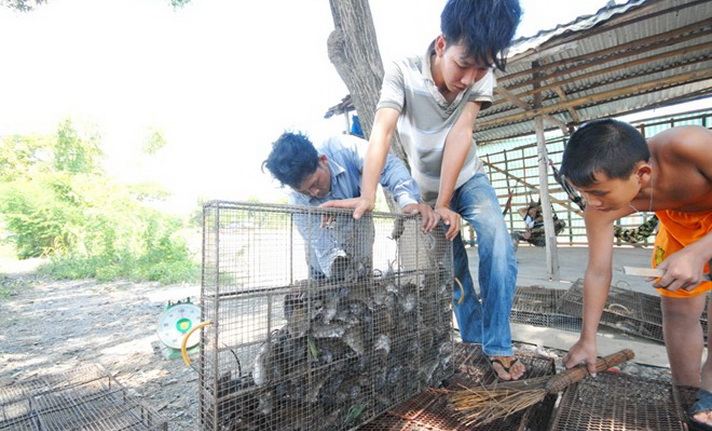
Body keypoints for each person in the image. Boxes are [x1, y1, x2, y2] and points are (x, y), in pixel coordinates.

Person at [323, 0, 525, 380]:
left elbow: (460, 134)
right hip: (425, 190)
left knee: (497, 242)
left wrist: (447, 203)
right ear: (441, 44)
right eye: (463, 65)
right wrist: (368, 194)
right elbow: (380, 133)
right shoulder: (402, 72)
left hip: (467, 176)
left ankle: (498, 344)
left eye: (480, 69)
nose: (469, 79)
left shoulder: (481, 75)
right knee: (454, 270)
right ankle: (474, 342)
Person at [559, 119, 712, 430]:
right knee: (678, 310)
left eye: (598, 192)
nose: (592, 202)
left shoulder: (689, 145)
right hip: (677, 227)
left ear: (642, 173)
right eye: (584, 193)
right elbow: (599, 272)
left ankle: (710, 392)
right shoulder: (598, 208)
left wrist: (698, 253)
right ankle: (687, 397)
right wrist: (587, 339)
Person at [263, 131, 437, 280]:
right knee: (327, 301)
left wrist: (407, 200)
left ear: (323, 160)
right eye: (305, 191)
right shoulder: (296, 202)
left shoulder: (344, 148)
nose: (314, 193)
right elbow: (323, 248)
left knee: (364, 292)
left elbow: (389, 166)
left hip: (359, 237)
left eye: (315, 183)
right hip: (324, 262)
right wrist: (341, 270)